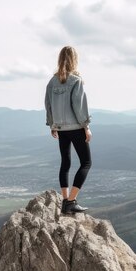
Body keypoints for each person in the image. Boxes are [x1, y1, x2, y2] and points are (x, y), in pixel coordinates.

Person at [44, 46, 92, 214]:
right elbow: (78, 107)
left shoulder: (52, 81)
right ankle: (71, 201)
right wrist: (86, 126)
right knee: (86, 163)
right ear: (74, 60)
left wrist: (52, 125)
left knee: (66, 162)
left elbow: (47, 105)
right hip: (76, 127)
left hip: (61, 129)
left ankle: (65, 200)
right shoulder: (76, 81)